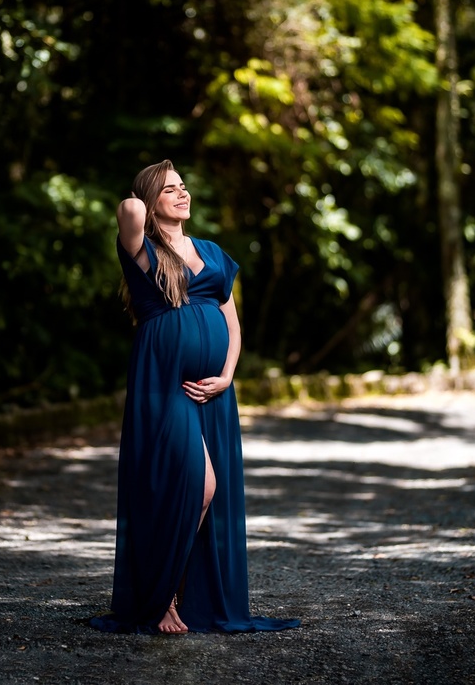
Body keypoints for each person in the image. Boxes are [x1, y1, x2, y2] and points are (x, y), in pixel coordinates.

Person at [89, 160, 300, 635]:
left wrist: (226, 376)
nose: (183, 194)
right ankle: (160, 597)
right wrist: (145, 194)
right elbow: (128, 210)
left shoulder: (212, 253)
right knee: (194, 486)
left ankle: (184, 593)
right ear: (151, 201)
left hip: (214, 389)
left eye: (184, 186)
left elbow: (232, 325)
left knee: (202, 490)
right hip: (164, 382)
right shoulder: (142, 250)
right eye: (170, 189)